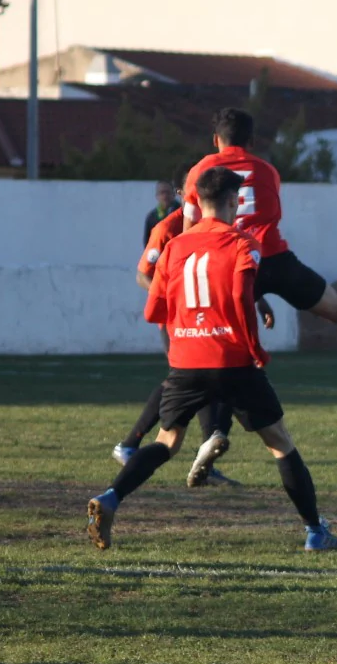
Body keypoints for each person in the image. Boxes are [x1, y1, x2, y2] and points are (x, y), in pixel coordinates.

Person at [87, 166, 337, 553]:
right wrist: (254, 348)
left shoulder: (175, 246)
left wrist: (189, 324)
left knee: (167, 442)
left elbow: (152, 311)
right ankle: (315, 531)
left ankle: (110, 497)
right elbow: (243, 300)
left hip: (186, 361)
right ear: (231, 202)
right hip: (231, 359)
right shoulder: (244, 244)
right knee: (280, 444)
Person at [181, 108, 337, 366]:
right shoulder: (267, 171)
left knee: (211, 347)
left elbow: (189, 231)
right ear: (251, 141)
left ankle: (188, 398)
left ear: (215, 140)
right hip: (275, 260)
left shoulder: (201, 171)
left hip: (227, 266)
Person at [111, 205, 274, 486]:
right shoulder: (166, 230)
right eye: (191, 195)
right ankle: (132, 444)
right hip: (182, 320)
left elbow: (233, 277)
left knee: (209, 376)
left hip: (211, 323)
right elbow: (143, 275)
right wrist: (173, 298)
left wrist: (259, 300)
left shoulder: (219, 228)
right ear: (183, 195)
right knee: (192, 377)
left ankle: (206, 448)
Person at [143, 180, 178, 245]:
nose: (165, 196)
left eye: (167, 192)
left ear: (174, 194)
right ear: (157, 196)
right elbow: (147, 242)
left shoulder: (182, 212)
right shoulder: (151, 217)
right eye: (162, 193)